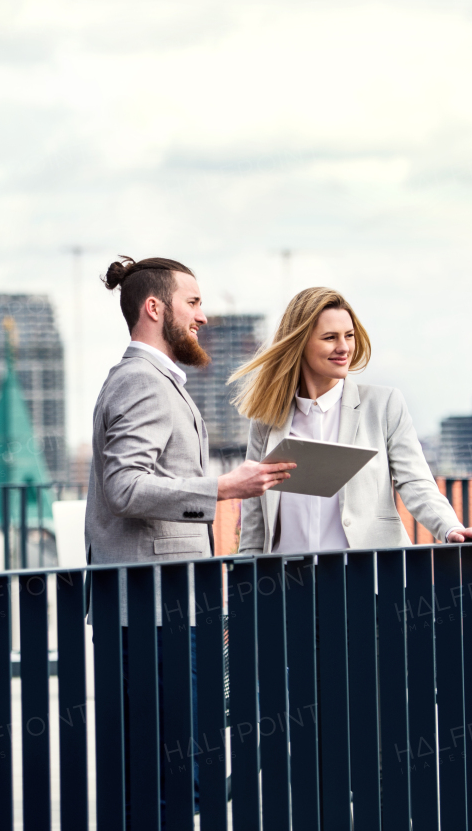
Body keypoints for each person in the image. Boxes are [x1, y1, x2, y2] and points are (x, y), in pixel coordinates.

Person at [86, 256, 293, 826]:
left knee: (162, 770)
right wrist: (224, 487)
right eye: (194, 302)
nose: (204, 316)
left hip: (159, 605)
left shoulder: (150, 380)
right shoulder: (141, 382)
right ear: (155, 309)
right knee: (170, 774)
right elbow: (125, 485)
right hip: (155, 610)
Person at [233, 287, 472, 555]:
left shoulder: (383, 405)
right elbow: (255, 514)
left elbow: (416, 482)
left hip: (366, 577)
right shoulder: (267, 419)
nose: (344, 347)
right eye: (329, 338)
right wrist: (247, 579)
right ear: (299, 344)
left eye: (349, 335)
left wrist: (451, 528)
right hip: (287, 581)